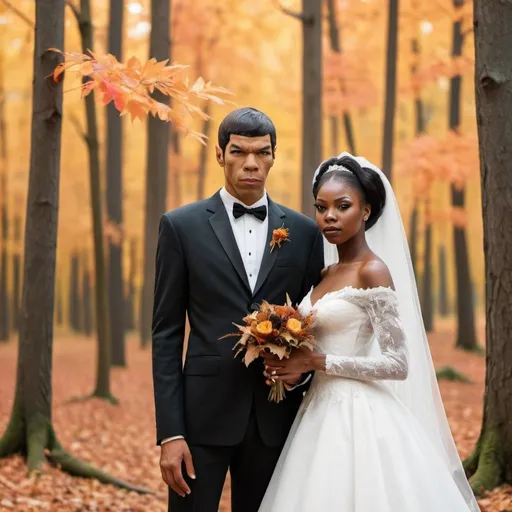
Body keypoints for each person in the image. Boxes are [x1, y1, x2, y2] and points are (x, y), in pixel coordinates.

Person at [259, 153, 480, 511]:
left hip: (360, 415)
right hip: (316, 410)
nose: (329, 216)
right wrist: (291, 366)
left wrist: (316, 360)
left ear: (365, 211)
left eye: (342, 206)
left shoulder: (373, 271)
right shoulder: (325, 275)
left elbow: (397, 364)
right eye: (321, 207)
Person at [151, 107, 324, 512]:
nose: (251, 163)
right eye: (239, 152)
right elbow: (166, 333)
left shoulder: (303, 233)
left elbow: (313, 323)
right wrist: (170, 433)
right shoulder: (180, 226)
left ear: (273, 156)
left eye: (262, 153)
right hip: (200, 420)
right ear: (219, 154)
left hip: (275, 416)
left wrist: (296, 377)